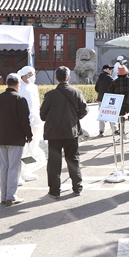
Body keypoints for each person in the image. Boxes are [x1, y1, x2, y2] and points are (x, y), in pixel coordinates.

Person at [40, 66, 88, 199]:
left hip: (54, 133)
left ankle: (54, 191)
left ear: (56, 78)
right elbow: (84, 110)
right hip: (71, 131)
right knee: (73, 159)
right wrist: (74, 118)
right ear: (68, 78)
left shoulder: (50, 95)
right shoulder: (76, 92)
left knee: (54, 162)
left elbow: (43, 115)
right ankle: (77, 187)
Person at [0, 73, 32, 206]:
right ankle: (11, 196)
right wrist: (29, 134)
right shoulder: (20, 99)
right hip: (16, 138)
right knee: (14, 168)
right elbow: (24, 120)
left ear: (7, 83)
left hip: (2, 137)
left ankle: (4, 196)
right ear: (18, 84)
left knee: (4, 167)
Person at [17, 66, 43, 181]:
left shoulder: (34, 87)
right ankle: (18, 172)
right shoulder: (20, 86)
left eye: (33, 74)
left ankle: (25, 170)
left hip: (36, 120)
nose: (32, 76)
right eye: (30, 74)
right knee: (22, 147)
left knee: (33, 146)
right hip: (25, 120)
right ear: (23, 75)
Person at [109, 64, 129, 141]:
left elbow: (110, 91)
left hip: (119, 104)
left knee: (121, 120)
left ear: (118, 73)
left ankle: (122, 136)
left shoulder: (115, 82)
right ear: (127, 72)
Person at [95, 64, 118, 137]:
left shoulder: (100, 77)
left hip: (100, 98)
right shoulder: (109, 77)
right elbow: (115, 86)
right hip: (108, 99)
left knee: (102, 115)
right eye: (109, 69)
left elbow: (96, 88)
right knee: (110, 113)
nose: (110, 70)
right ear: (104, 70)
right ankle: (114, 130)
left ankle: (101, 130)